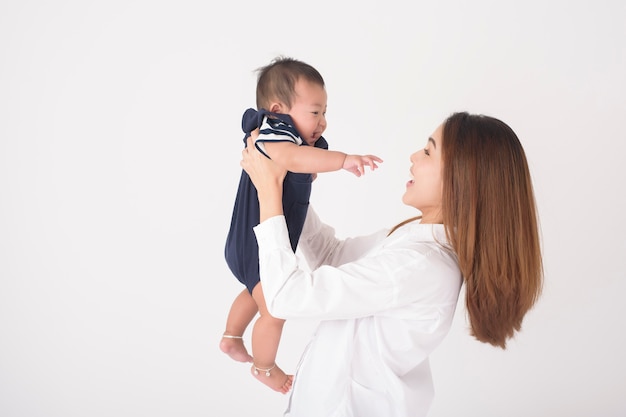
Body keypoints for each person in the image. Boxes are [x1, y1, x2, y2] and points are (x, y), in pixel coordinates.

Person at [240, 111, 543, 416]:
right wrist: (291, 183)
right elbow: (329, 256)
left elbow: (284, 298)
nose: (413, 156)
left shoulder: (419, 265)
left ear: (461, 179)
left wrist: (269, 191)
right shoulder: (414, 240)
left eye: (428, 151)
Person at [220, 56, 383, 393]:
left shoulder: (296, 140)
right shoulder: (273, 133)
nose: (322, 122)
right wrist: (343, 160)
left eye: (324, 112)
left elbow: (302, 163)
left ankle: (231, 337)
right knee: (276, 309)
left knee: (256, 293)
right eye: (314, 112)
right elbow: (293, 159)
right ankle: (264, 368)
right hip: (255, 242)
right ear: (279, 109)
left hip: (252, 244)